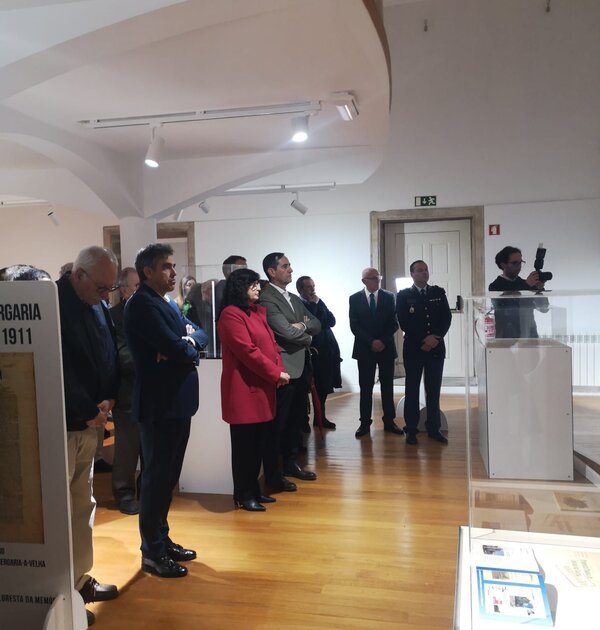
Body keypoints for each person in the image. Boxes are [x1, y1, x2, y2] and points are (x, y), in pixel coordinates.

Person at [124, 243, 208, 578]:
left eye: (173, 266)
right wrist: (181, 345)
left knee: (167, 478)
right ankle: (152, 552)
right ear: (147, 271)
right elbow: (175, 346)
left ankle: (162, 538)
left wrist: (186, 342)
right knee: (156, 480)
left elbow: (198, 333)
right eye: (166, 267)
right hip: (159, 404)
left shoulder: (167, 302)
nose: (174, 273)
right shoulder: (141, 304)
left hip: (177, 402)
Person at [56, 246, 120, 626]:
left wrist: (110, 397)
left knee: (83, 504)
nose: (105, 295)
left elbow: (109, 350)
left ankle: (80, 581)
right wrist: (87, 409)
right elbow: (57, 367)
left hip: (91, 422)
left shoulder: (95, 302)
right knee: (61, 511)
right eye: (100, 287)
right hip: (64, 424)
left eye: (110, 288)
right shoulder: (53, 304)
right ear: (78, 275)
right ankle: (61, 591)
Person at [217, 268, 290, 511]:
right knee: (244, 448)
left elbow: (272, 346)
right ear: (240, 287)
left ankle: (254, 491)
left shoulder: (257, 311)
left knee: (259, 445)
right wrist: (275, 373)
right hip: (244, 389)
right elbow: (248, 352)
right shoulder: (231, 314)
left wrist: (278, 370)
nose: (258, 288)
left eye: (258, 283)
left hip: (262, 386)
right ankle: (243, 494)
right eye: (253, 284)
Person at [259, 252, 321, 490]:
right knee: (280, 422)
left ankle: (290, 463)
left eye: (289, 265)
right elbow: (284, 331)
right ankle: (274, 473)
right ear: (271, 271)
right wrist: (307, 337)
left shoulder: (293, 298)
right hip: (284, 369)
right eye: (285, 266)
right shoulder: (267, 298)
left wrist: (302, 324)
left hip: (302, 365)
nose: (290, 269)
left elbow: (317, 323)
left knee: (297, 419)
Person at [396, 260, 452, 445]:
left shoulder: (438, 293)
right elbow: (404, 321)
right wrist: (424, 339)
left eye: (426, 270)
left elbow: (446, 318)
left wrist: (435, 338)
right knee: (412, 390)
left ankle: (434, 428)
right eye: (420, 270)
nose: (424, 273)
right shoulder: (404, 295)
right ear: (412, 274)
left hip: (435, 348)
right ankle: (411, 429)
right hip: (414, 349)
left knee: (433, 390)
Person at [349, 267, 403, 438]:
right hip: (365, 349)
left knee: (387, 387)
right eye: (373, 278)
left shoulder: (389, 297)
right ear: (364, 281)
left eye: (378, 277)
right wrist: (371, 341)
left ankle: (389, 421)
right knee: (365, 388)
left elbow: (394, 322)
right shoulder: (354, 298)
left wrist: (382, 341)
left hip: (386, 348)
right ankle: (365, 423)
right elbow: (354, 325)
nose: (377, 280)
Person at [109, 267, 141, 515]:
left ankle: (146, 490)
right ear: (123, 290)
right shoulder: (114, 316)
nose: (141, 291)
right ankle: (124, 493)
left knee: (150, 448)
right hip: (128, 391)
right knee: (127, 449)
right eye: (137, 286)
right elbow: (123, 355)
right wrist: (155, 359)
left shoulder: (151, 311)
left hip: (152, 391)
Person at [296, 275, 341, 429]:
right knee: (305, 387)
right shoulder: (299, 305)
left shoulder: (318, 301)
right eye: (309, 287)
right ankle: (303, 420)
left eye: (313, 286)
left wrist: (318, 304)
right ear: (300, 289)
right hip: (310, 351)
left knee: (323, 386)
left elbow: (332, 321)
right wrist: (315, 306)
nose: (312, 290)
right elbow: (312, 324)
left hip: (326, 350)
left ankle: (320, 417)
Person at [488, 246, 549, 338]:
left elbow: (544, 308)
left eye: (520, 262)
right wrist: (527, 286)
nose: (519, 266)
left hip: (529, 335)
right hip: (507, 337)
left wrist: (540, 289)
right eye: (515, 263)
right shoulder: (495, 286)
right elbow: (508, 307)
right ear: (503, 265)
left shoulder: (525, 283)